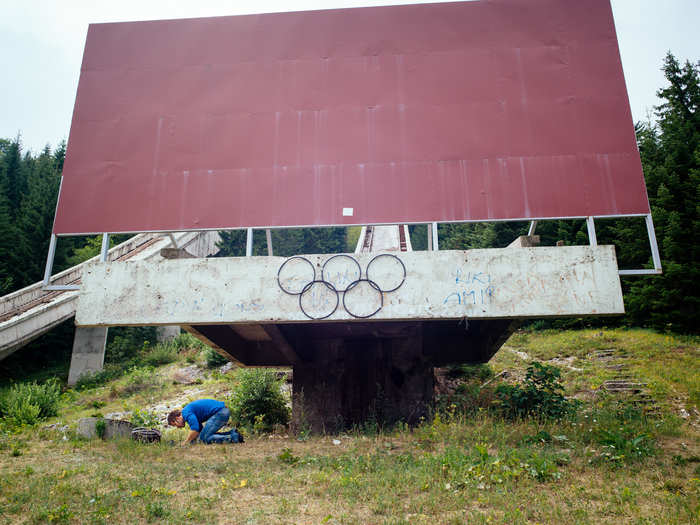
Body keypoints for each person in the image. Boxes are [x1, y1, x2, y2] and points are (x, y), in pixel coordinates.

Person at [167, 399, 243, 445]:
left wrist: (186, 442)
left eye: (175, 425)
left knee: (204, 438)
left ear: (177, 418)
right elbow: (199, 430)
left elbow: (195, 429)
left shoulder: (186, 413)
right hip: (222, 411)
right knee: (203, 436)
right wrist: (192, 440)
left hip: (220, 413)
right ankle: (232, 433)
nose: (177, 427)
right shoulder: (187, 412)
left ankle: (233, 437)